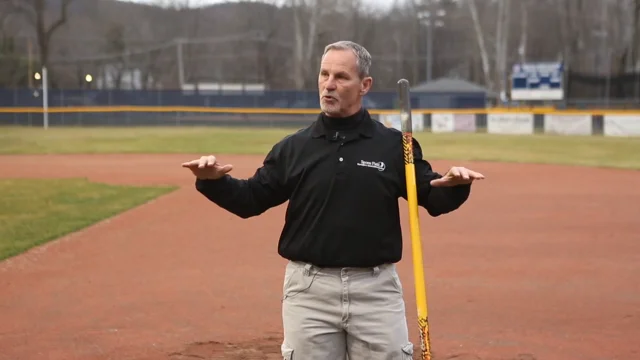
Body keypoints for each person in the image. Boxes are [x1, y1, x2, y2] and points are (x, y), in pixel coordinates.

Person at [182, 40, 484, 360]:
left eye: (341, 76)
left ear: (364, 85)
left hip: (376, 291)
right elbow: (251, 200)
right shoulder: (294, 147)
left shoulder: (395, 146)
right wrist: (213, 182)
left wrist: (456, 186)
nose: (328, 84)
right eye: (324, 74)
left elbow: (432, 197)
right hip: (309, 291)